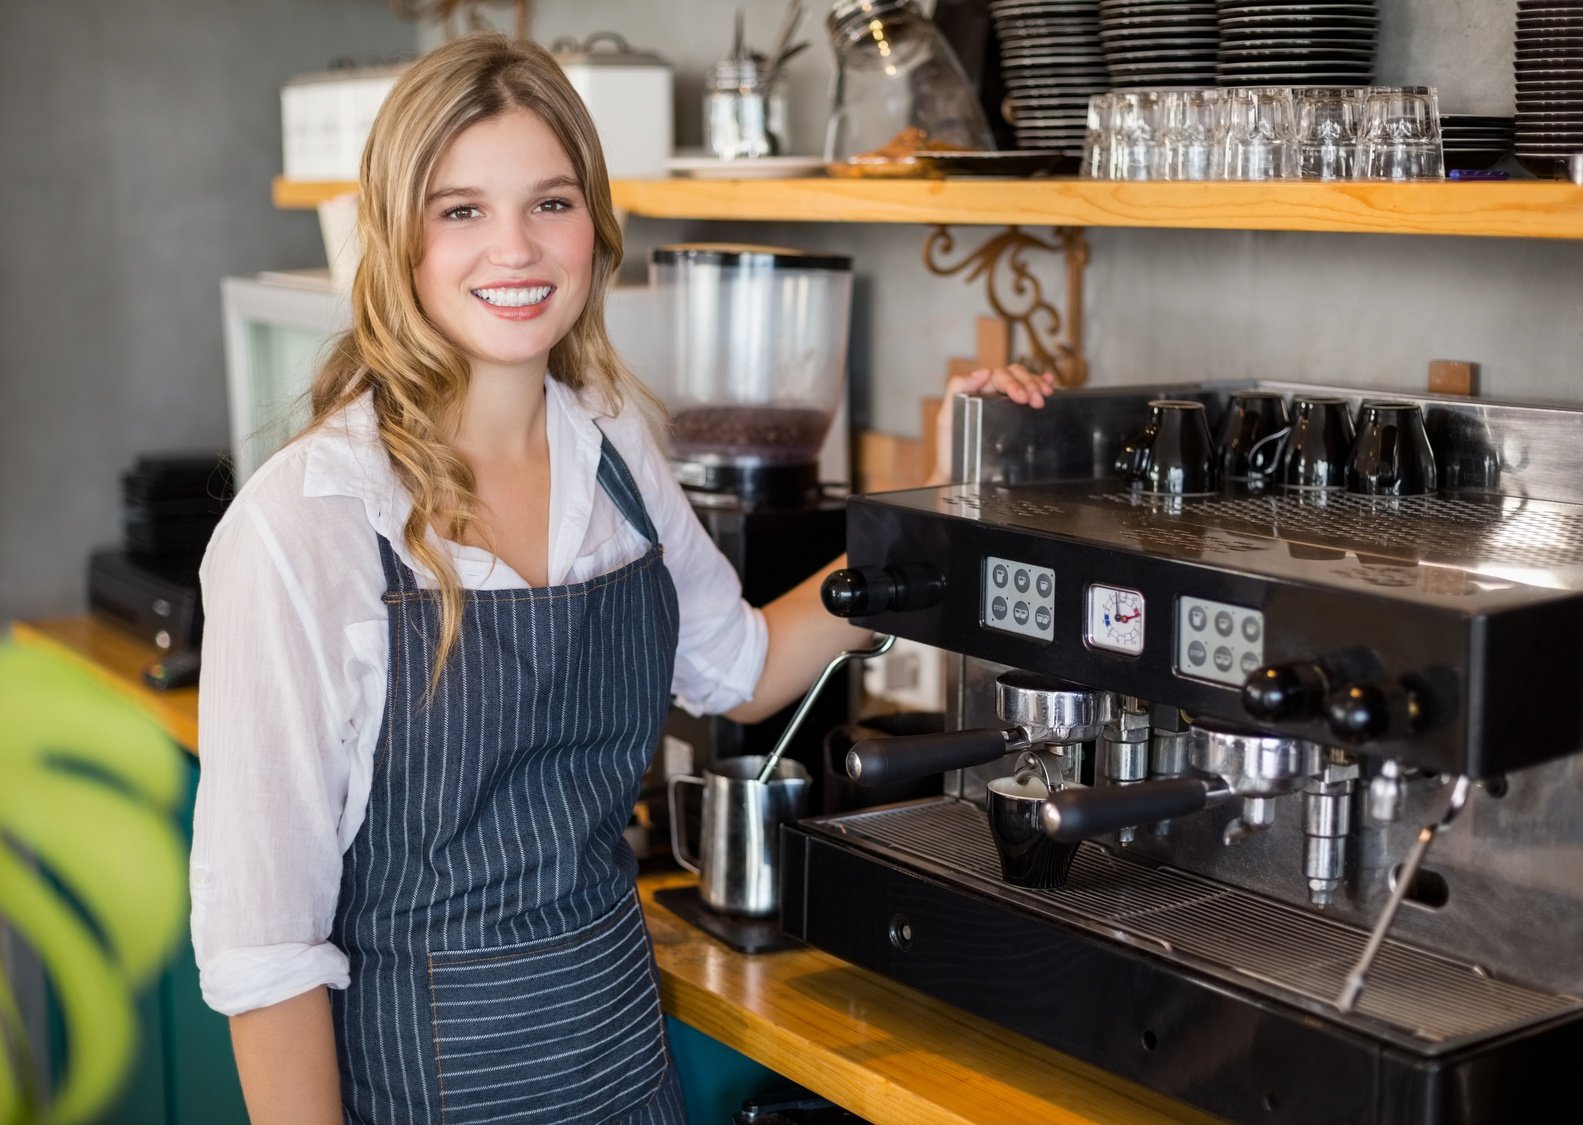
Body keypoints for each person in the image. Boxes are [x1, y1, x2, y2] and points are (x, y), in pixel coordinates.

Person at [189, 30, 1055, 1125]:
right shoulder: (305, 524)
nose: (514, 248)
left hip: (620, 1072)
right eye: (461, 210)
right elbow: (267, 956)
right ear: (397, 238)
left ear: (596, 226)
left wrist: (940, 506)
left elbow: (740, 666)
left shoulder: (609, 448)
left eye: (549, 203)